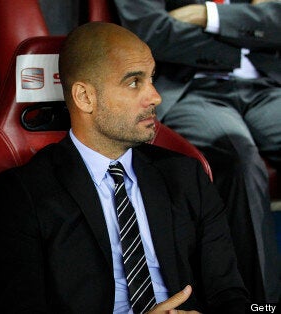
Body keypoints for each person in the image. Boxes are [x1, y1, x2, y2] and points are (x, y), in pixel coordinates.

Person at [0, 22, 248, 313]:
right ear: (85, 97)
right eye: (134, 82)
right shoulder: (24, 194)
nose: (155, 97)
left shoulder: (186, 176)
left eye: (152, 79)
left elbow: (230, 296)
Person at [113, 0, 281, 303]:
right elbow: (150, 31)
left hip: (268, 85)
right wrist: (247, 43)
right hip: (192, 88)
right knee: (238, 160)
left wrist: (209, 15)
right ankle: (260, 305)